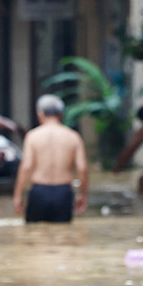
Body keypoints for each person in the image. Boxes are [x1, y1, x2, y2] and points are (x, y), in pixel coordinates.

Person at [13, 95, 88, 223]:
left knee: (34, 235)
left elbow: (26, 167)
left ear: (40, 114)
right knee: (63, 236)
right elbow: (82, 168)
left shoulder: (33, 136)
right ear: (61, 114)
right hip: (63, 192)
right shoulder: (73, 137)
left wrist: (18, 195)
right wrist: (83, 194)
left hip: (39, 191)